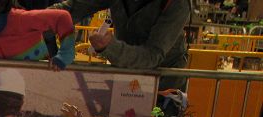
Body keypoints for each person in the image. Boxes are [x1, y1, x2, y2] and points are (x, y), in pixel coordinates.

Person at [50, 0, 191, 92]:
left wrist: (110, 47)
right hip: (127, 77)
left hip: (165, 83)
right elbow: (75, 7)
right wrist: (40, 18)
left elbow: (152, 55)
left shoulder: (177, 4)